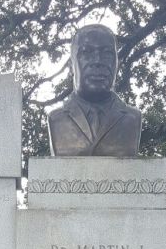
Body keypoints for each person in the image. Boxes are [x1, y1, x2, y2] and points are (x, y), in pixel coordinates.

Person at [48, 24, 142, 157]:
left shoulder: (132, 118)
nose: (98, 61)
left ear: (117, 63)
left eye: (107, 53)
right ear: (71, 65)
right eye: (86, 52)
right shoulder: (56, 119)